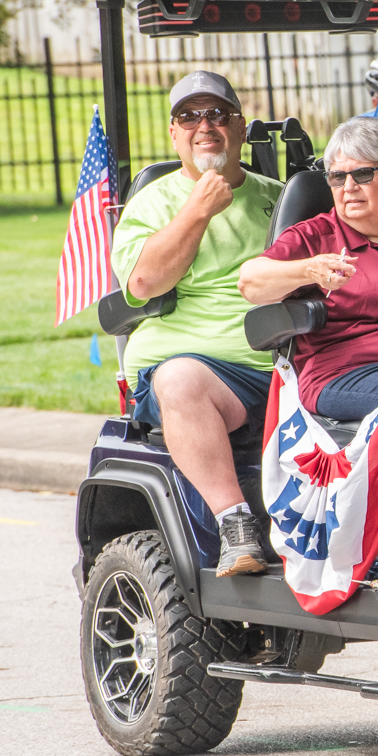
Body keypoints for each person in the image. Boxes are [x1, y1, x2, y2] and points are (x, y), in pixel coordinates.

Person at [238, 117, 378, 593]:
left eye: (362, 174)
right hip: (340, 373)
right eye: (337, 177)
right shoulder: (317, 236)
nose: (348, 187)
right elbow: (251, 282)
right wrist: (308, 269)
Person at [111, 71, 284, 577]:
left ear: (241, 128)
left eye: (217, 114)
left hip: (281, 361)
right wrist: (198, 210)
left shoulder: (279, 197)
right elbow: (144, 282)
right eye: (189, 116)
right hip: (199, 370)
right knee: (180, 380)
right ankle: (235, 523)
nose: (204, 126)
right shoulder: (154, 202)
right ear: (174, 133)